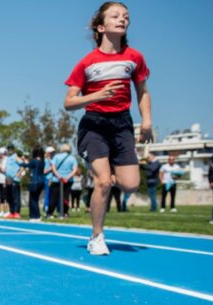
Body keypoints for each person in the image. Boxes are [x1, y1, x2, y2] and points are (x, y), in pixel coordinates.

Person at [64, 1, 152, 254]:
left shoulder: (134, 58)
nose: (122, 19)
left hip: (122, 124)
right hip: (94, 124)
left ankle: (106, 175)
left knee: (131, 185)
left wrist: (146, 121)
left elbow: (143, 91)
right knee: (103, 182)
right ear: (101, 27)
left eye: (126, 16)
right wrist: (97, 95)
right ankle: (97, 236)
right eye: (115, 16)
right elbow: (69, 102)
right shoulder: (87, 63)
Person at [47, 144, 79, 218]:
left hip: (56, 180)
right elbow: (75, 169)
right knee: (65, 197)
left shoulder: (56, 157)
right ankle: (64, 213)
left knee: (53, 197)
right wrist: (68, 177)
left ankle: (49, 213)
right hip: (68, 180)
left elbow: (53, 167)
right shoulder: (72, 158)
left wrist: (58, 176)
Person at [19, 147, 45, 221]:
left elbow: (25, 165)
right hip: (41, 181)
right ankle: (35, 216)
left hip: (35, 181)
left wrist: (20, 160)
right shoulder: (42, 161)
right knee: (35, 199)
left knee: (33, 200)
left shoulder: (34, 161)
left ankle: (35, 216)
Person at [4, 144, 24, 218]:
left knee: (16, 196)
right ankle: (11, 211)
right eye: (8, 149)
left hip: (15, 179)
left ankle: (17, 212)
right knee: (9, 197)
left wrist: (19, 173)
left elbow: (23, 165)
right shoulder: (8, 158)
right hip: (8, 180)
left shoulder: (15, 157)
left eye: (10, 149)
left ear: (13, 149)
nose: (9, 150)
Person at [0, 147, 8, 217]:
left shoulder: (6, 160)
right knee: (1, 197)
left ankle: (8, 211)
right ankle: (1, 211)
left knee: (6, 197)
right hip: (0, 180)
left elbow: (6, 170)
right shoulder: (1, 160)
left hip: (4, 180)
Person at [42, 146, 56, 214]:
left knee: (52, 195)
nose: (53, 154)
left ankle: (51, 208)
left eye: (53, 152)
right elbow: (44, 171)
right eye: (51, 153)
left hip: (53, 179)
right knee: (47, 194)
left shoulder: (53, 160)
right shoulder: (45, 160)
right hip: (48, 179)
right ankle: (46, 208)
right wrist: (52, 168)